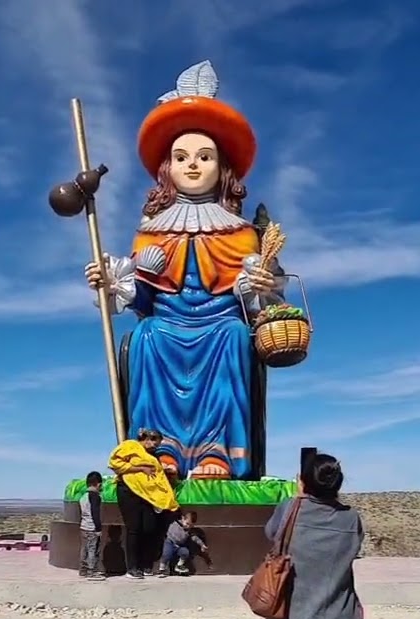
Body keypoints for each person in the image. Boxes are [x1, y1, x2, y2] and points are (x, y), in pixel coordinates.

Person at [84, 60, 287, 479]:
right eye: (181, 157)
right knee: (144, 337)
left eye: (204, 156)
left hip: (219, 325)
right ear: (168, 169)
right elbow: (143, 301)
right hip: (167, 324)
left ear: (222, 167)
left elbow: (258, 305)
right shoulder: (150, 232)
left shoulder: (243, 232)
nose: (192, 165)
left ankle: (217, 454)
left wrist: (260, 285)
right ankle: (159, 452)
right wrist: (115, 283)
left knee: (233, 336)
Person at [263, 452, 364, 619]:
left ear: (303, 481)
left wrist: (299, 496)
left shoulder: (289, 508)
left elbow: (271, 534)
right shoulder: (351, 519)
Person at [107, 428, 180, 579]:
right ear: (147, 438)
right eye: (154, 443)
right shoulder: (130, 446)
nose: (155, 447)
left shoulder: (153, 456)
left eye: (157, 445)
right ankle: (132, 568)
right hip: (129, 492)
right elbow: (115, 464)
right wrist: (140, 467)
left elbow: (156, 474)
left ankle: (145, 564)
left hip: (147, 496)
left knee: (148, 527)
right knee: (134, 529)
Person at [158, 509, 208, 577]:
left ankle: (179, 565)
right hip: (170, 542)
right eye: (187, 524)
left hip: (179, 546)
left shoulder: (189, 530)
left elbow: (195, 538)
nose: (188, 526)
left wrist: (202, 545)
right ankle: (162, 570)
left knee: (185, 552)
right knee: (167, 554)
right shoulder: (175, 522)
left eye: (190, 525)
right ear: (183, 518)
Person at [78, 472, 105, 580]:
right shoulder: (95, 497)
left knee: (84, 549)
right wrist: (98, 528)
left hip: (83, 526)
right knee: (92, 549)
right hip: (91, 528)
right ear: (98, 484)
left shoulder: (83, 497)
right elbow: (95, 513)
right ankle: (92, 571)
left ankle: (83, 570)